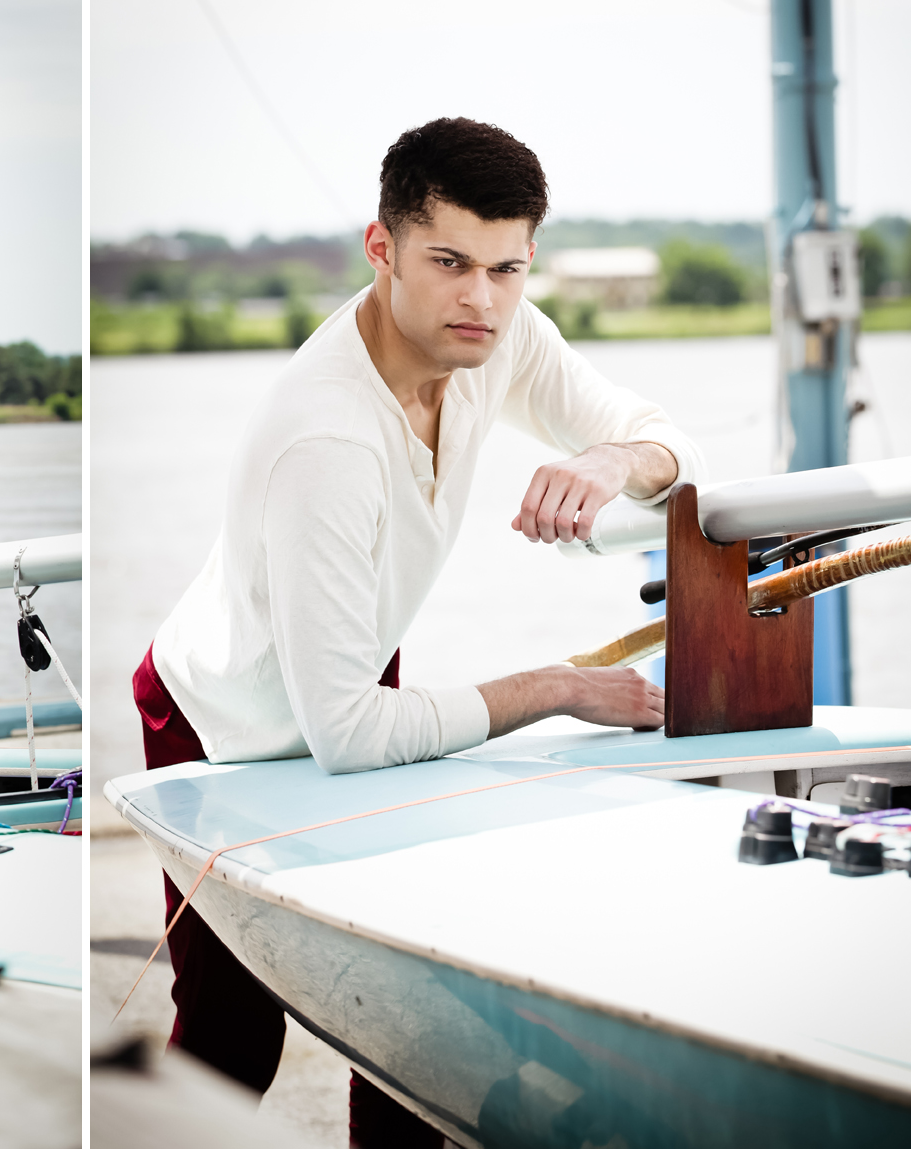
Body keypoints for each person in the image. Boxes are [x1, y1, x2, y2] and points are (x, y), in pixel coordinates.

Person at [133, 118, 706, 1144]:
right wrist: (558, 686)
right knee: (229, 1031)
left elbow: (667, 437)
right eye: (447, 262)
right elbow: (347, 736)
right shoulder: (324, 438)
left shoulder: (500, 335)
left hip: (348, 667)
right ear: (382, 247)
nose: (478, 299)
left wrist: (609, 464)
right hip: (213, 709)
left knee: (404, 1006)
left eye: (505, 267)